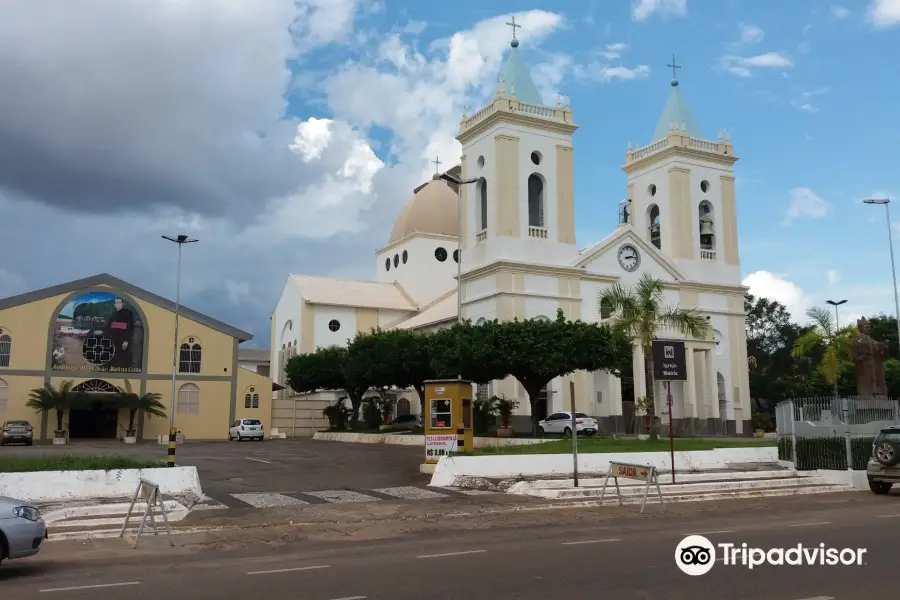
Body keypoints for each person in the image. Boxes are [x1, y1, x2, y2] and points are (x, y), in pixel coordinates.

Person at [104, 297, 135, 369]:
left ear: (122, 304)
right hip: (114, 341)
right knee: (113, 359)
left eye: (119, 303)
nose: (118, 304)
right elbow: (108, 327)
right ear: (114, 305)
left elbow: (129, 327)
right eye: (116, 303)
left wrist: (126, 340)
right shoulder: (113, 315)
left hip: (123, 341)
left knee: (123, 360)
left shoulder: (128, 313)